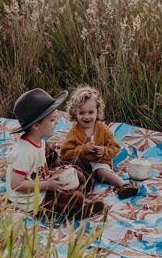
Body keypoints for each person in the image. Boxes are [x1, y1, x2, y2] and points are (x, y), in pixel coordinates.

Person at [6, 88, 105, 218]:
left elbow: (37, 171)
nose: (56, 122)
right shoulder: (24, 152)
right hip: (29, 200)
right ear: (36, 125)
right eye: (52, 120)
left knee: (79, 173)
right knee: (76, 199)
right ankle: (76, 211)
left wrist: (55, 173)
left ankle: (73, 192)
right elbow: (16, 184)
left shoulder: (39, 142)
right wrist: (47, 184)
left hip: (41, 184)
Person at [59, 85, 139, 199]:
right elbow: (65, 153)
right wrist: (83, 149)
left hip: (99, 163)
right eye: (82, 113)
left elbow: (115, 147)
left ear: (97, 112)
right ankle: (78, 197)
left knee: (101, 172)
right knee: (75, 175)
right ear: (75, 113)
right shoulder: (74, 132)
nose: (86, 117)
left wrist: (104, 151)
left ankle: (124, 185)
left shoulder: (102, 129)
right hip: (81, 164)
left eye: (91, 112)